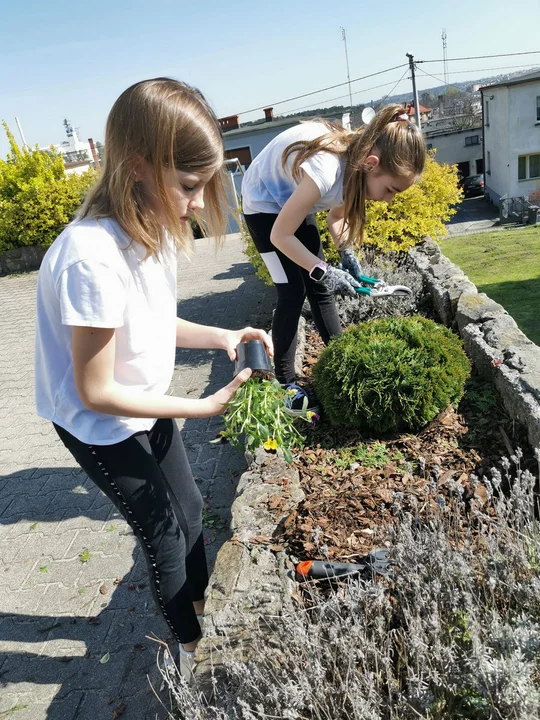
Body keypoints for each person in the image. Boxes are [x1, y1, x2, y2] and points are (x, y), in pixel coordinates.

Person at [34, 78, 272, 680]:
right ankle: (194, 660)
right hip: (100, 422)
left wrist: (222, 336)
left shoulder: (152, 230)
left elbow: (154, 321)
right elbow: (95, 390)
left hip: (142, 402)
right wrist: (203, 406)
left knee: (190, 507)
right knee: (165, 534)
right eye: (189, 186)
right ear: (139, 166)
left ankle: (200, 609)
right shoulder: (91, 257)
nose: (197, 203)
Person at [241, 104, 426, 413]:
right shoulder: (326, 171)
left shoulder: (355, 170)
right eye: (390, 189)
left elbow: (337, 218)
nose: (388, 199)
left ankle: (343, 358)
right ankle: (285, 385)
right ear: (371, 164)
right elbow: (279, 236)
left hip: (292, 199)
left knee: (320, 289)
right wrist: (323, 270)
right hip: (263, 207)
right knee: (291, 291)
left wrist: (347, 256)